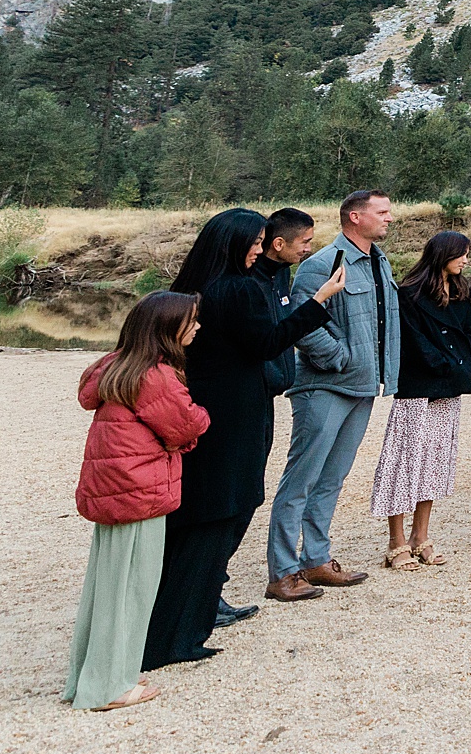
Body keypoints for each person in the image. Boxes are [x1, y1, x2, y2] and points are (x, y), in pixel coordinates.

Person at [142, 211, 343, 669]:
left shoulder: (211, 283)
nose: (260, 248)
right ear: (233, 244)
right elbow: (265, 344)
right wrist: (318, 302)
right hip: (231, 415)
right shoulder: (234, 288)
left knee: (211, 514)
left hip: (220, 408)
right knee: (223, 511)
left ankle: (184, 624)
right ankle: (179, 636)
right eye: (254, 242)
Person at [66, 292, 207, 711]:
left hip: (114, 490)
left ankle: (94, 677)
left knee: (107, 588)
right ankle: (109, 688)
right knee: (131, 591)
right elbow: (187, 426)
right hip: (139, 492)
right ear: (168, 330)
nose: (198, 327)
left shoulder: (114, 366)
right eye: (192, 321)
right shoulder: (156, 375)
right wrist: (200, 414)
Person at [270, 190, 401, 602]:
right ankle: (283, 572)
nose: (390, 219)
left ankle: (316, 560)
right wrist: (342, 358)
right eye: (382, 212)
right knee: (301, 482)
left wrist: (381, 373)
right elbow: (301, 322)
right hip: (324, 387)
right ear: (355, 217)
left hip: (363, 387)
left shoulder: (380, 262)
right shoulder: (321, 264)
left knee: (332, 479)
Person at [210, 207, 317, 624]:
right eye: (305, 242)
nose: (310, 249)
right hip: (237, 401)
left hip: (264, 396)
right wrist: (320, 303)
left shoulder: (279, 276)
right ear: (277, 244)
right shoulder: (242, 284)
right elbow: (266, 340)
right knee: (233, 496)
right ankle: (207, 588)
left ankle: (209, 586)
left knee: (248, 492)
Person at [371, 229, 471, 570]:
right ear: (442, 254)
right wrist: (444, 362)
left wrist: (455, 364)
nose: (466, 259)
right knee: (404, 462)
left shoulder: (461, 291)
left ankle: (421, 536)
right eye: (461, 253)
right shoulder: (409, 294)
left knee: (434, 461)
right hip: (418, 387)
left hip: (449, 387)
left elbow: (470, 332)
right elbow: (412, 340)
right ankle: (396, 541)